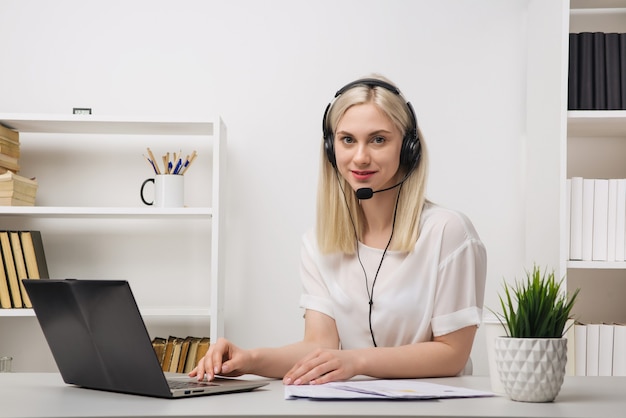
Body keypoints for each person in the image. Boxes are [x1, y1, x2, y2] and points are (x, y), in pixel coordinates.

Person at [190, 74, 487, 385]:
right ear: (332, 149)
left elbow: (452, 353)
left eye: (378, 139)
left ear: (409, 148)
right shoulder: (318, 243)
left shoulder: (448, 232)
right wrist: (250, 359)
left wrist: (356, 360)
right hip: (351, 408)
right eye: (348, 140)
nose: (360, 157)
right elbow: (320, 346)